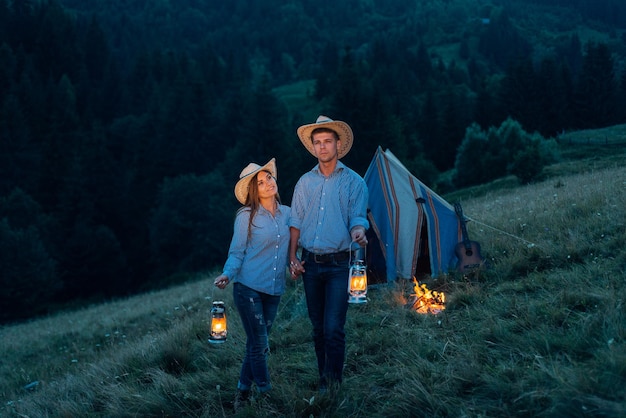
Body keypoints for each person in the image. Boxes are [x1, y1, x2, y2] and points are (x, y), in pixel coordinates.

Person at [288, 115, 369, 393]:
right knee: (318, 329)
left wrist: (358, 231)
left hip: (338, 266)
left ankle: (332, 385)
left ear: (338, 145)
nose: (322, 147)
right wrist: (293, 257)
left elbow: (358, 217)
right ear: (313, 147)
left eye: (327, 142)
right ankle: (325, 376)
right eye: (317, 143)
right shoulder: (304, 183)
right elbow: (295, 224)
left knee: (334, 327)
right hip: (310, 265)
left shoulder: (354, 182)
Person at [213, 158, 290, 410]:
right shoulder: (246, 216)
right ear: (253, 191)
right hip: (248, 288)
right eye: (260, 182)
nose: (267, 183)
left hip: (274, 289)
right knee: (260, 345)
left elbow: (293, 248)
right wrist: (228, 274)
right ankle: (267, 397)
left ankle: (242, 393)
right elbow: (237, 252)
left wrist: (297, 262)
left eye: (269, 177)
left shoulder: (288, 213)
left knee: (255, 344)